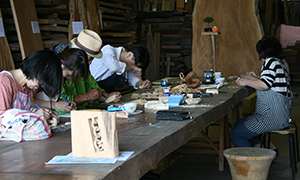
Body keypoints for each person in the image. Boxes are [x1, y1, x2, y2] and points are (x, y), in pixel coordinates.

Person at [230, 37, 292, 147]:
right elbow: (271, 83)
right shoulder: (280, 63)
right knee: (239, 123)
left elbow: (264, 85)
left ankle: (253, 160)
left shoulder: (270, 62)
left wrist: (245, 81)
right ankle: (266, 148)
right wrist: (255, 78)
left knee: (236, 133)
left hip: (271, 118)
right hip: (282, 116)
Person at [0, 50, 62, 121]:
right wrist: (34, 115)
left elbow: (24, 110)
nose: (42, 86)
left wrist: (45, 115)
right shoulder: (4, 82)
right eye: (43, 82)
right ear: (36, 72)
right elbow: (2, 119)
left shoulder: (28, 86)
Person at [55, 48, 121, 113]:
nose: (90, 62)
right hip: (63, 114)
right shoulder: (58, 76)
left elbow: (94, 89)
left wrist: (108, 96)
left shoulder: (83, 70)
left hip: (82, 111)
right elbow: (62, 101)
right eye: (89, 59)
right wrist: (87, 96)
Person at [88, 42, 152, 93]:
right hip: (92, 89)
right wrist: (132, 67)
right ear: (130, 55)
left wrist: (143, 84)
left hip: (106, 92)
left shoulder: (127, 65)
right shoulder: (108, 50)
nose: (133, 66)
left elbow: (133, 80)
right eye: (134, 64)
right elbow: (114, 67)